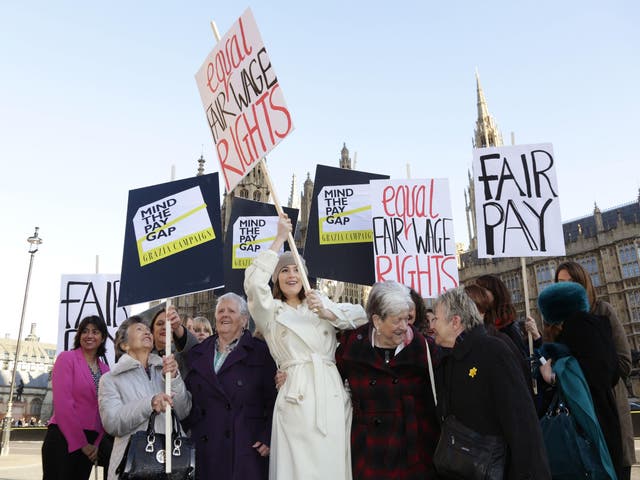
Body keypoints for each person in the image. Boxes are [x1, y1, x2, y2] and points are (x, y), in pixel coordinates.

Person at [244, 214, 368, 480]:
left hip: (331, 395)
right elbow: (254, 285)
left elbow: (362, 315)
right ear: (276, 279)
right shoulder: (271, 312)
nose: (291, 275)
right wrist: (278, 239)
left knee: (332, 467)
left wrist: (328, 311)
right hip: (296, 396)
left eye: (297, 269)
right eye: (284, 270)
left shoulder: (319, 303)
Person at [432, 287, 550, 479]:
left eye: (435, 319)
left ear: (455, 322)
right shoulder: (449, 360)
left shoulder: (493, 351)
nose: (432, 325)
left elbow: (522, 424)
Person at [336, 281, 439, 479]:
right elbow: (328, 379)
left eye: (407, 318)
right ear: (376, 320)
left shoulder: (424, 348)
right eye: (396, 320)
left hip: (413, 455)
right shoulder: (351, 348)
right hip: (369, 453)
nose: (404, 327)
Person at [555, 260, 635, 478]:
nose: (567, 287)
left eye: (572, 282)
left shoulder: (602, 312)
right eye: (561, 283)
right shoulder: (554, 323)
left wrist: (579, 370)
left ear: (584, 283)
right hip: (574, 427)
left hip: (608, 417)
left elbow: (625, 363)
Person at [184, 293, 277, 479]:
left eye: (231, 311)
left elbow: (273, 399)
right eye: (220, 311)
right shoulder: (197, 353)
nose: (224, 315)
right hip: (205, 446)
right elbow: (188, 400)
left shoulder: (261, 352)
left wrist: (268, 436)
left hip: (244, 446)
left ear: (244, 320)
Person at [538, 281, 622, 479]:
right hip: (607, 423)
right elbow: (613, 374)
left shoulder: (576, 334)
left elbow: (582, 380)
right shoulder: (599, 330)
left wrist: (552, 377)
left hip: (587, 434)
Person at [99, 316, 191, 480]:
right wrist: (149, 404)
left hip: (171, 465)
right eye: (139, 329)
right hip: (133, 467)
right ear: (124, 344)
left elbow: (183, 411)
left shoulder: (164, 369)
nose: (147, 331)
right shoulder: (110, 379)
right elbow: (112, 423)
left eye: (148, 330)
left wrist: (174, 378)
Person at [42, 315, 110, 480]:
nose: (89, 336)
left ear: (102, 338)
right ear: (79, 336)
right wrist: (81, 443)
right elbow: (63, 404)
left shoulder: (106, 370)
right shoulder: (67, 358)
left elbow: (105, 409)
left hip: (91, 442)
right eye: (84, 331)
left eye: (95, 332)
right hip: (63, 438)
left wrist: (96, 444)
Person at [475, 274, 529, 358]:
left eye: (482, 290)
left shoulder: (509, 328)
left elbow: (520, 362)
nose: (478, 295)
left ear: (495, 293)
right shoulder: (479, 325)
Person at [150, 305, 198, 376]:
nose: (165, 327)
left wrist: (178, 327)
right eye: (160, 324)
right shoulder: (146, 358)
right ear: (152, 331)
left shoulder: (182, 356)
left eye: (169, 324)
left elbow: (195, 350)